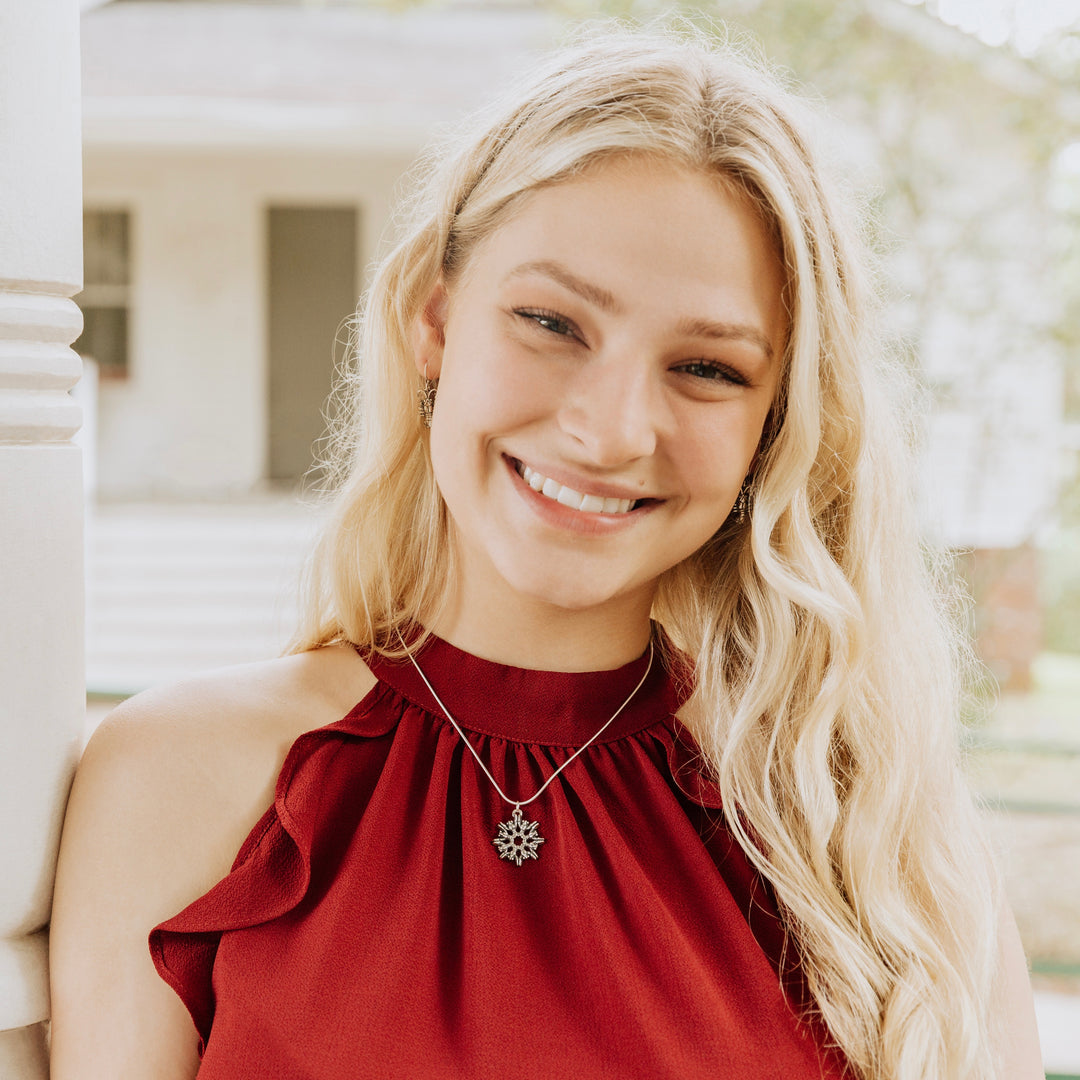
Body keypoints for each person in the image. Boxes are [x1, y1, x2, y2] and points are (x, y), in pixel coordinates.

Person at [49, 27, 1043, 1080]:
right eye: (551, 322)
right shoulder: (183, 780)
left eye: (706, 367)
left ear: (777, 425)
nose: (612, 430)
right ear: (435, 324)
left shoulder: (871, 837)